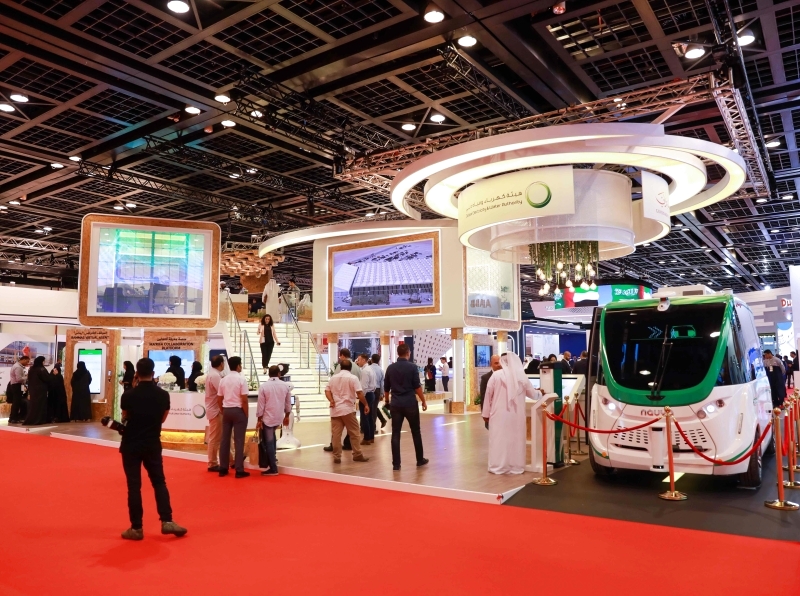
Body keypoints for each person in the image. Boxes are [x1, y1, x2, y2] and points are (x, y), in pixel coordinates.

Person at [119, 357, 187, 541]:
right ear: (153, 372)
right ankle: (167, 520)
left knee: (134, 486)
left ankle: (136, 528)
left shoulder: (128, 396)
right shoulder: (163, 395)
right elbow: (162, 419)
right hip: (152, 443)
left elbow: (125, 418)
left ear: (136, 374)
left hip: (131, 443)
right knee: (159, 482)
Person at [482, 353, 540, 474]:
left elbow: (488, 395)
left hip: (498, 415)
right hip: (516, 415)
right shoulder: (522, 377)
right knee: (516, 440)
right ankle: (515, 466)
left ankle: (498, 466)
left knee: (499, 440)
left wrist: (486, 414)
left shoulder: (496, 375)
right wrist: (541, 393)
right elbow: (533, 395)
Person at [384, 344, 428, 470]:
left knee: (395, 433)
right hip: (410, 404)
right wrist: (423, 401)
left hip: (396, 404)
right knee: (416, 431)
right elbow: (417, 387)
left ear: (398, 353)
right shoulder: (412, 367)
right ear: (408, 353)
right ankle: (420, 459)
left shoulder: (390, 368)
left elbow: (386, 388)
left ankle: (396, 464)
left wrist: (387, 401)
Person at [325, 359, 370, 464]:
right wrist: (366, 404)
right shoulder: (353, 378)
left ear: (340, 367)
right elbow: (359, 393)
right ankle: (357, 454)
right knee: (354, 433)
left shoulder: (333, 378)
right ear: (350, 368)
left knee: (336, 435)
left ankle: (337, 456)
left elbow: (327, 390)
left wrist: (331, 400)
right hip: (348, 409)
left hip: (335, 410)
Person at [256, 365, 292, 476]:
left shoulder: (264, 387)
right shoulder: (285, 386)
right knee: (272, 439)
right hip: (278, 417)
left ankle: (273, 468)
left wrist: (259, 419)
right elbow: (288, 403)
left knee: (269, 442)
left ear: (269, 374)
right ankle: (274, 459)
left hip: (267, 417)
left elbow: (261, 405)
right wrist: (287, 416)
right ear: (279, 374)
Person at [218, 356, 250, 478]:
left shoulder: (223, 380)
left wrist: (223, 410)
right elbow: (244, 400)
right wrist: (246, 413)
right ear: (238, 366)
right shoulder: (241, 380)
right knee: (239, 440)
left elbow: (219, 398)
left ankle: (223, 468)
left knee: (224, 440)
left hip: (226, 410)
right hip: (238, 411)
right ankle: (239, 469)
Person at [204, 355, 226, 472]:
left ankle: (214, 461)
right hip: (215, 409)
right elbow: (221, 392)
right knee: (214, 438)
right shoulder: (215, 375)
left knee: (216, 437)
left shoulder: (212, 374)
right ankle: (212, 463)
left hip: (214, 408)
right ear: (221, 363)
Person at [23, 356, 50, 426]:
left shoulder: (31, 369)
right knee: (40, 405)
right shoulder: (41, 369)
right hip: (41, 390)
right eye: (43, 361)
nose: (44, 362)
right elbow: (47, 378)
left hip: (33, 389)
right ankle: (39, 420)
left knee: (33, 405)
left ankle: (32, 419)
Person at [357, 353, 377, 445]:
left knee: (365, 417)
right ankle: (371, 437)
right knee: (370, 417)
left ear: (364, 360)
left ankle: (367, 438)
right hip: (371, 393)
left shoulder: (365, 371)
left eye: (359, 360)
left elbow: (364, 387)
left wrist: (361, 397)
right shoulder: (371, 369)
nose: (358, 362)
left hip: (366, 395)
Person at [479, 354, 502, 429]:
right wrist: (485, 414)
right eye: (496, 363)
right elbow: (484, 397)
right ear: (491, 364)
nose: (499, 365)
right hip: (492, 412)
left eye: (500, 363)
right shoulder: (486, 378)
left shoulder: (506, 376)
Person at [7, 355, 29, 424]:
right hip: (17, 386)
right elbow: (19, 379)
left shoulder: (18, 366)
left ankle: (13, 418)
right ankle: (13, 418)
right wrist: (27, 377)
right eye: (27, 361)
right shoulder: (18, 367)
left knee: (17, 402)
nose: (27, 363)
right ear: (24, 359)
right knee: (16, 403)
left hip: (17, 386)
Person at [369, 353, 387, 430]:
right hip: (377, 390)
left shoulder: (368, 369)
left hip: (369, 390)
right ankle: (382, 420)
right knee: (374, 407)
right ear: (379, 361)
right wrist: (382, 394)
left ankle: (373, 428)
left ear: (371, 360)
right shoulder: (381, 370)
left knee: (372, 408)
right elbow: (382, 383)